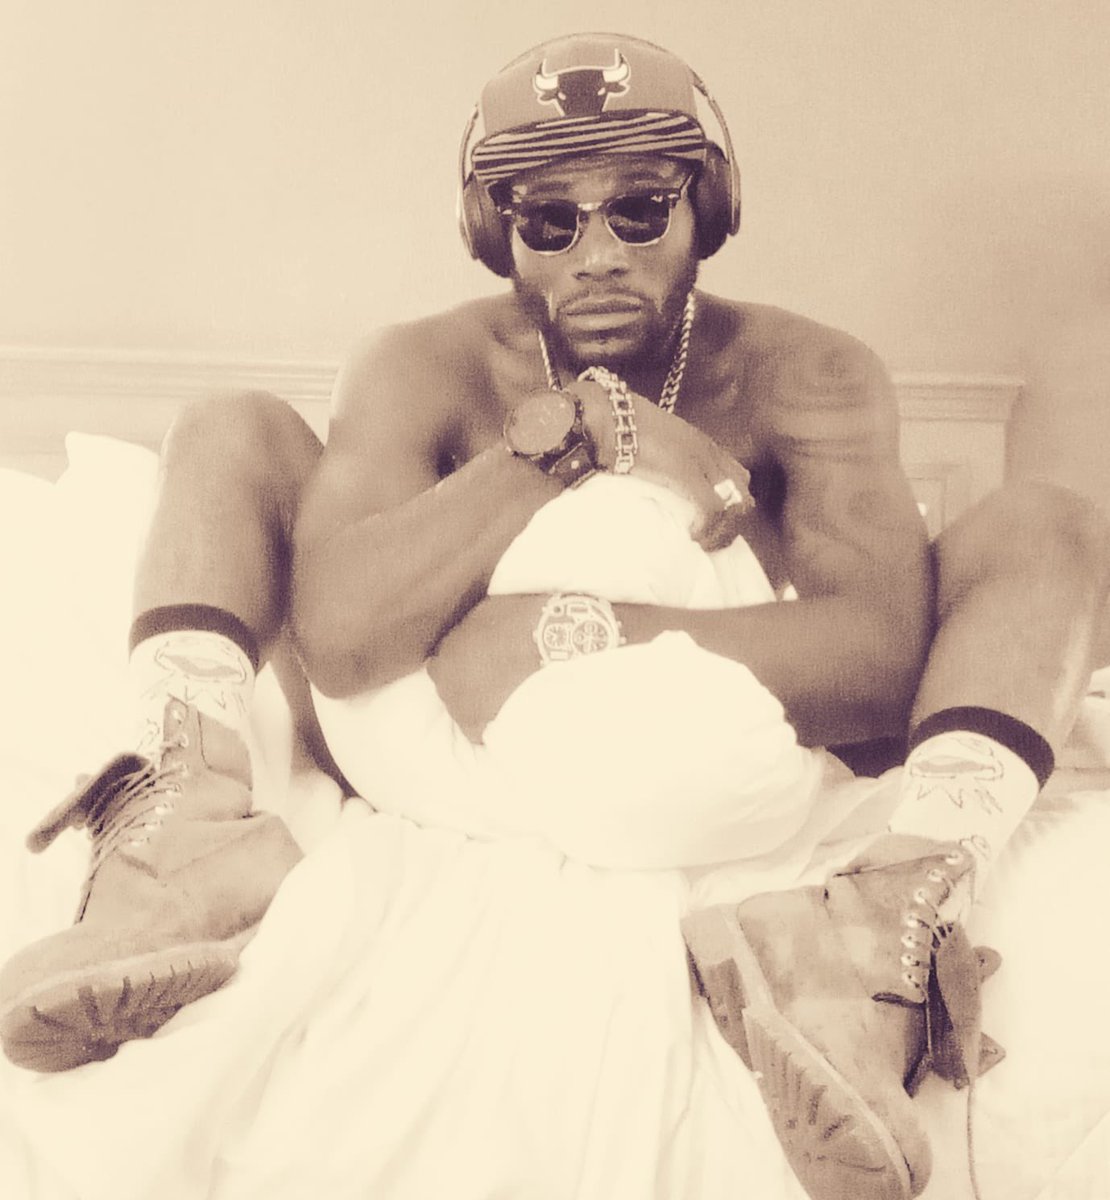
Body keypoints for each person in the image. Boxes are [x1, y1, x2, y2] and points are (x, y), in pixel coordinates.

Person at [0, 29, 1106, 1200]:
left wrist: (568, 630)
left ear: (709, 208)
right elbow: (342, 639)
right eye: (550, 221)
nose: (599, 255)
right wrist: (577, 434)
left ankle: (874, 926)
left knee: (1053, 527)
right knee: (228, 426)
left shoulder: (808, 373)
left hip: (710, 752)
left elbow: (879, 667)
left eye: (640, 210)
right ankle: (186, 829)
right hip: (432, 753)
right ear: (496, 232)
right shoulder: (421, 366)